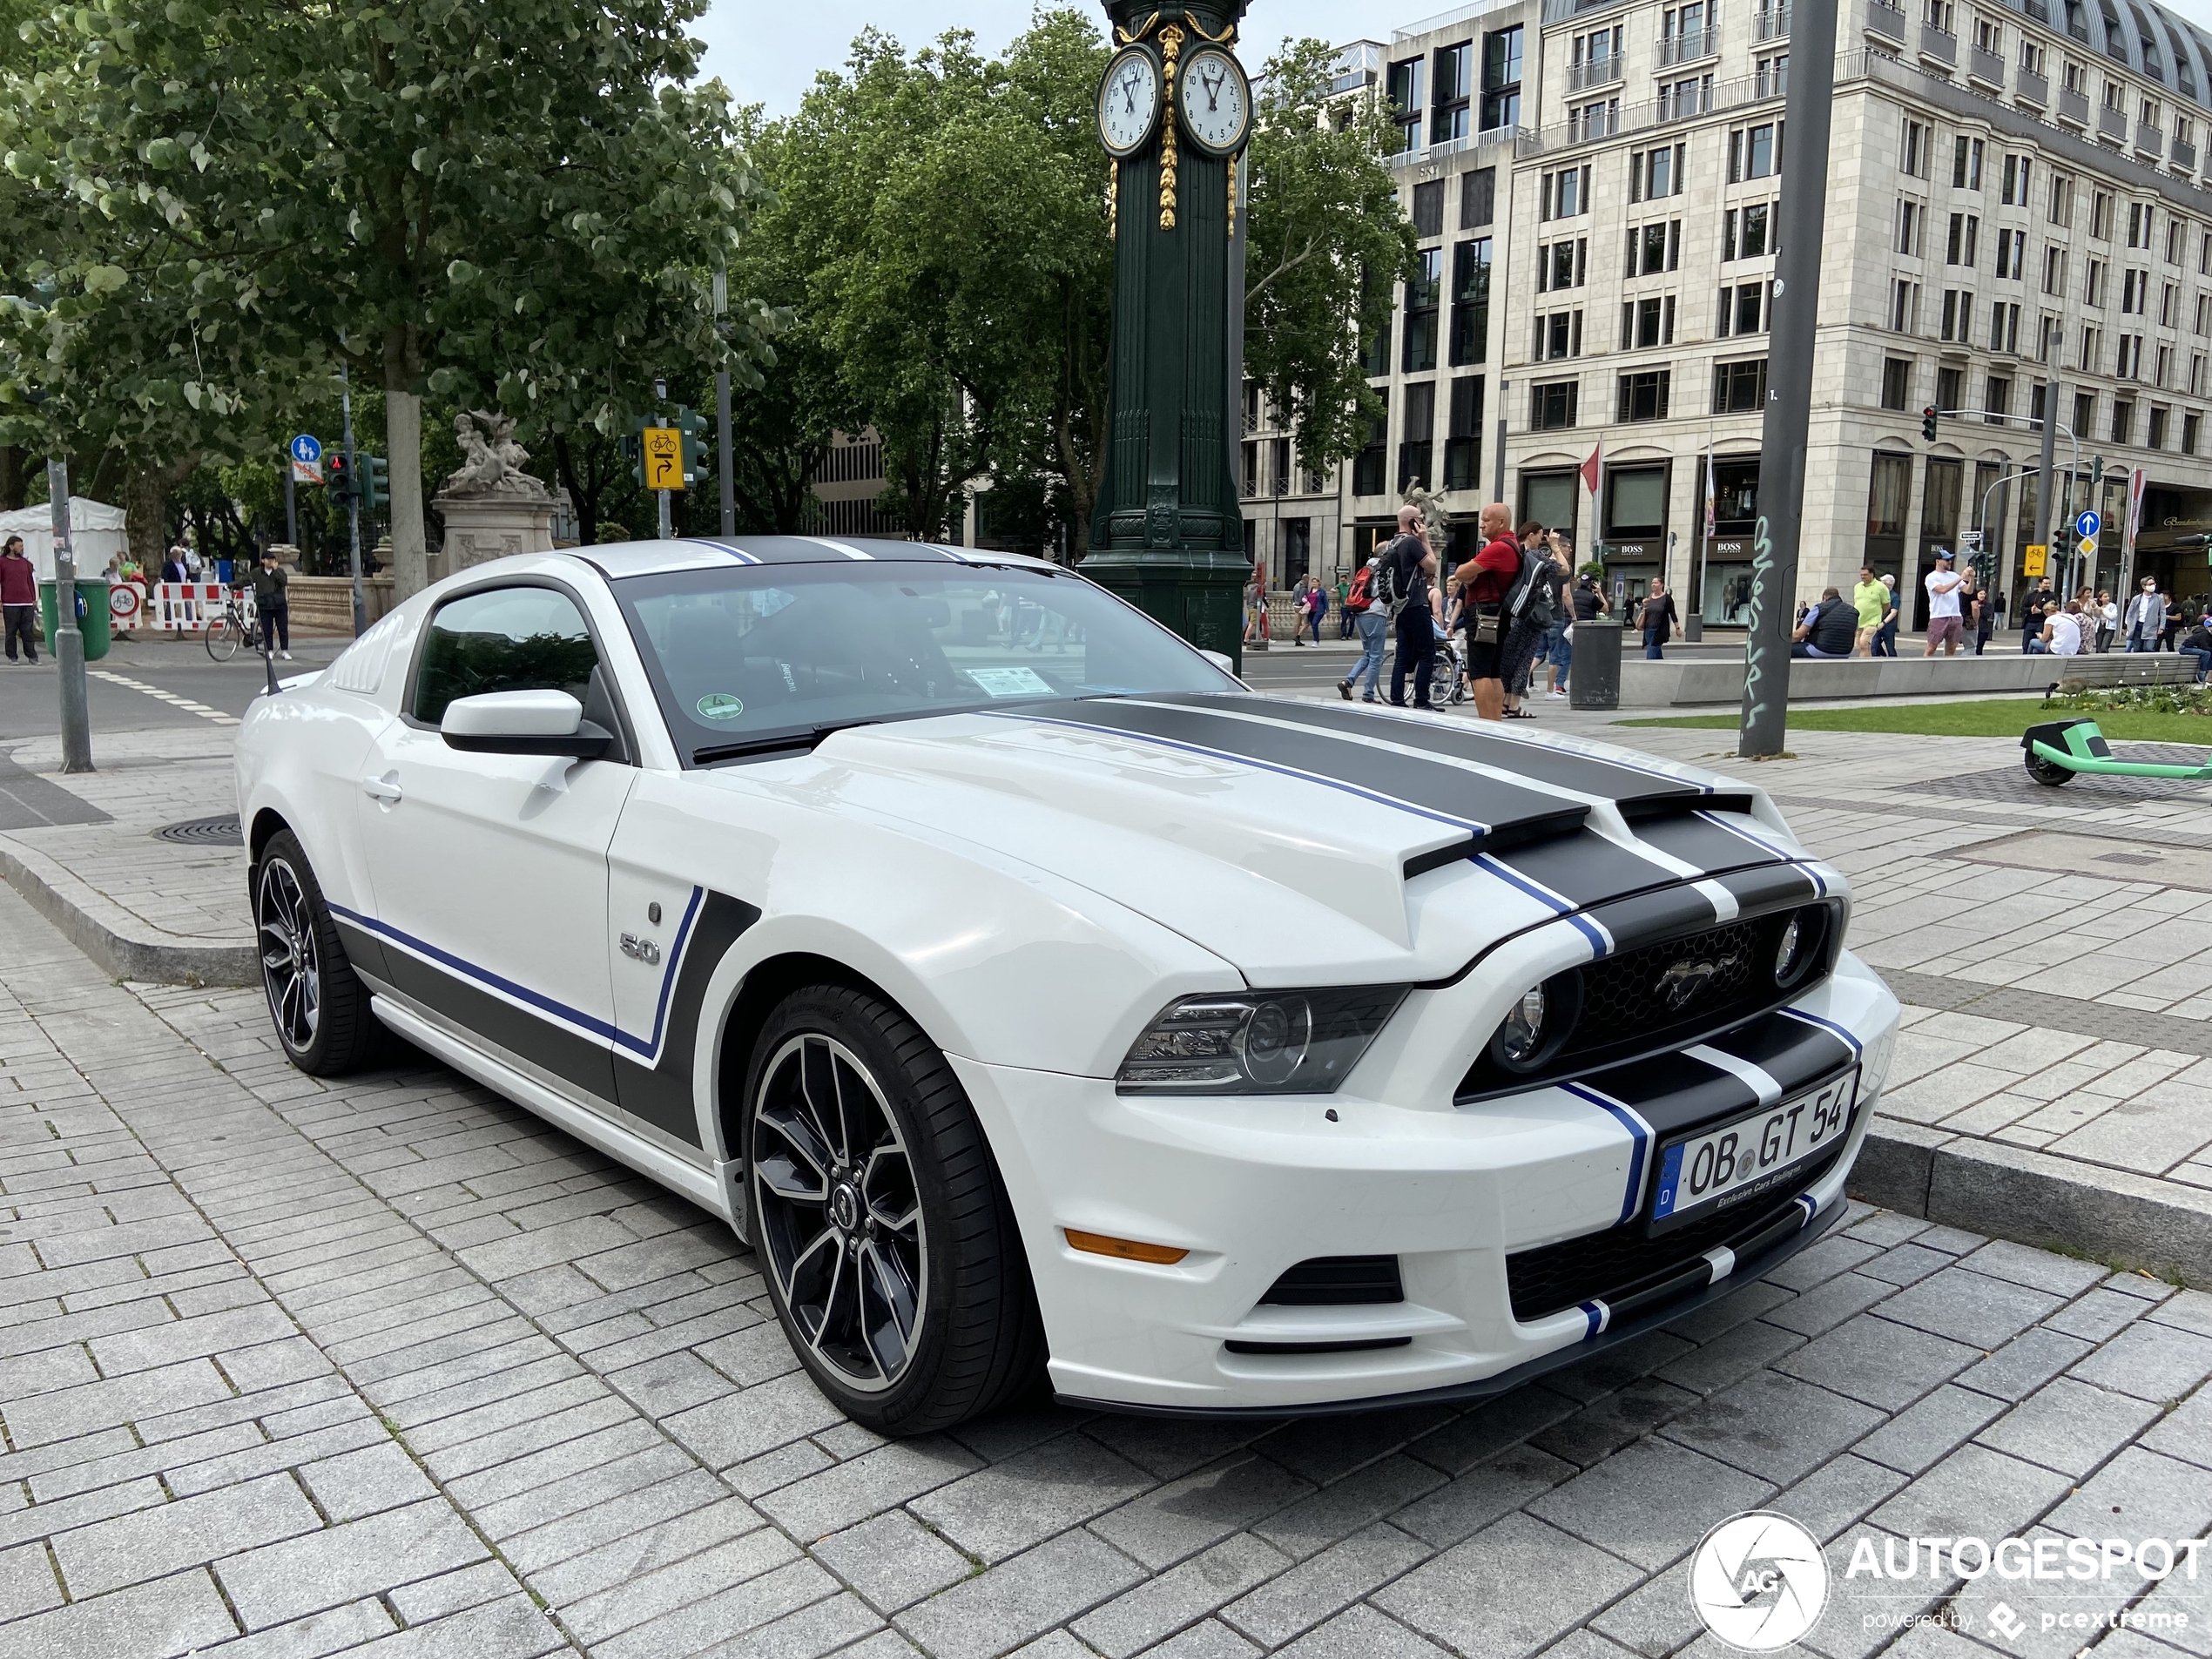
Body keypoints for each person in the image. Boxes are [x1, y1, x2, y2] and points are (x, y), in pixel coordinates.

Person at [1451, 502, 1522, 719]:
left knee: (1479, 672)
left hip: (1483, 615)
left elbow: (1461, 572)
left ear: (1501, 522)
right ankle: (1496, 722)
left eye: (1486, 520)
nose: (1482, 525)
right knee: (1493, 672)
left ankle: (1486, 724)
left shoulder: (1499, 547)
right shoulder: (1514, 545)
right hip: (1501, 614)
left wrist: (1468, 575)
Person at [1382, 505, 1439, 710]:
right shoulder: (1413, 542)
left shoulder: (1393, 543)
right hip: (1417, 604)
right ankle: (1421, 700)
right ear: (1413, 521)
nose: (1423, 522)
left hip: (1400, 606)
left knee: (1403, 654)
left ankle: (1397, 699)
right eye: (1420, 519)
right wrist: (1425, 539)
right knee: (1427, 653)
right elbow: (1432, 566)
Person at [1499, 520, 1555, 719]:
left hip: (1513, 612)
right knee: (1523, 660)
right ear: (1531, 535)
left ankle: (1505, 703)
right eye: (1540, 535)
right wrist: (1555, 546)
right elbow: (1563, 569)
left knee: (1508, 660)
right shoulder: (1534, 556)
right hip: (1529, 615)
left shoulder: (1516, 553)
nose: (1542, 539)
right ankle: (1514, 705)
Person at [1337, 555, 1386, 702]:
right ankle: (1368, 694)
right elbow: (1388, 593)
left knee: (1368, 654)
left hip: (1360, 612)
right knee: (1376, 656)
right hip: (1376, 613)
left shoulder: (1367, 569)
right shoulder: (1384, 569)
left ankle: (1348, 682)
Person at [1791, 588, 1860, 657]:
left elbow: (1798, 636)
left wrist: (1784, 642)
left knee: (1785, 649)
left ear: (1824, 597)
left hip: (1821, 650)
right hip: (1845, 653)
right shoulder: (1853, 611)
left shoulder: (1819, 608)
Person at [1, 536, 37, 664]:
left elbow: (30, 581)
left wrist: (33, 598)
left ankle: (32, 656)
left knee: (27, 631)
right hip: (10, 602)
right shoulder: (2, 562)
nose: (22, 548)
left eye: (22, 545)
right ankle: (12, 656)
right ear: (11, 547)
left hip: (26, 601)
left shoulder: (25, 563)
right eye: (19, 545)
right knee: (11, 631)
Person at [249, 550, 291, 659]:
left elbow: (283, 581)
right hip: (265, 605)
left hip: (279, 604)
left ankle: (285, 650)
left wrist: (276, 570)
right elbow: (245, 580)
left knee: (283, 629)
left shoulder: (279, 571)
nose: (271, 561)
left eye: (273, 559)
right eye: (268, 559)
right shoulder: (257, 572)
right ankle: (269, 650)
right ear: (263, 560)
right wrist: (232, 586)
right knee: (267, 629)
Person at [1636, 580, 1677, 660]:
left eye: (1656, 583)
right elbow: (1647, 611)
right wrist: (1644, 605)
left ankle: (1649, 666)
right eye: (1652, 583)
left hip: (1659, 629)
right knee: (1655, 650)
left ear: (1661, 585)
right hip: (1648, 628)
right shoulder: (1650, 597)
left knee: (1652, 647)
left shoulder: (1666, 598)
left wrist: (1677, 628)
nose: (1653, 585)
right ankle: (1661, 664)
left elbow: (1672, 613)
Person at [1851, 565, 1887, 656]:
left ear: (1872, 574)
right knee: (1860, 645)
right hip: (1859, 620)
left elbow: (1886, 604)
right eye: (1861, 575)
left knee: (1864, 642)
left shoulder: (1881, 587)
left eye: (1865, 575)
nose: (1863, 577)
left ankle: (1864, 665)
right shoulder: (1857, 587)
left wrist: (1878, 615)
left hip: (1872, 621)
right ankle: (1867, 661)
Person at [2020, 578, 2057, 652]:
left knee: (2039, 642)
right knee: (2026, 643)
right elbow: (2023, 608)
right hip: (2030, 622)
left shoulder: (2051, 596)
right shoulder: (2031, 595)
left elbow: (2054, 610)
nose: (2048, 585)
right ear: (2040, 584)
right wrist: (2031, 609)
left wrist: (2040, 611)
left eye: (2049, 583)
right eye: (2046, 583)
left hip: (2042, 622)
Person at [2178, 616, 2212, 682]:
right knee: (2206, 653)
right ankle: (2201, 674)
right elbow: (2204, 646)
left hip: (2194, 647)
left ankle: (2209, 673)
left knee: (2209, 653)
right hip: (2186, 648)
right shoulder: (2204, 634)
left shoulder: (2210, 634)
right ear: (2209, 627)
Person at [1305, 577, 1327, 645]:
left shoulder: (1322, 591)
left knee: (1315, 624)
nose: (1314, 583)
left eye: (1315, 582)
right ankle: (1316, 639)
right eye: (1313, 582)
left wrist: (1327, 610)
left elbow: (1325, 601)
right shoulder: (1310, 591)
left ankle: (1316, 640)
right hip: (1311, 610)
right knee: (1313, 625)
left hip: (1319, 610)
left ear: (1318, 583)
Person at [2094, 590, 2117, 654]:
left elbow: (2113, 616)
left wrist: (2103, 610)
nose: (2108, 598)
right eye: (2105, 597)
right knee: (2098, 648)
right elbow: (2095, 617)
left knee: (2104, 647)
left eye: (2108, 596)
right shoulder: (2098, 606)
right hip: (2100, 627)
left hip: (2109, 628)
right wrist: (2096, 610)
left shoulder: (2112, 606)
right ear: (2100, 598)